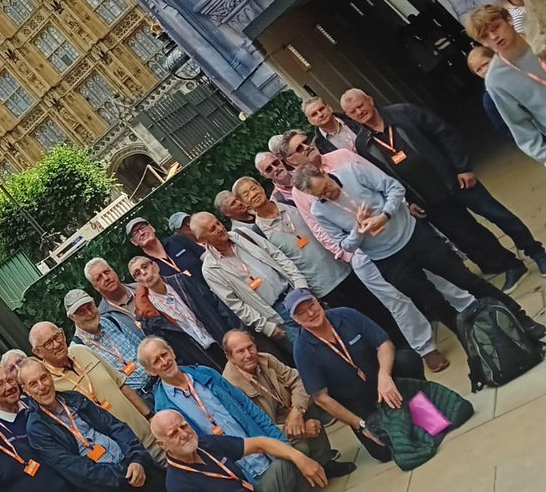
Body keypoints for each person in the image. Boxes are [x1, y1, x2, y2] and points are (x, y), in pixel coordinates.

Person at [292, 163, 545, 340]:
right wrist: (358, 230)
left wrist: (384, 215)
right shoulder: (320, 211)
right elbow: (343, 245)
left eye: (326, 187)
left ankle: (522, 320)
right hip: (387, 260)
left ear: (324, 173)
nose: (328, 194)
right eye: (321, 195)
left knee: (466, 280)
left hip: (413, 236)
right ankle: (474, 343)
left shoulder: (352, 172)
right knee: (434, 303)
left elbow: (395, 188)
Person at [277, 129, 458, 371]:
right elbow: (318, 229)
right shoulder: (301, 192)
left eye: (306, 142)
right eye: (297, 149)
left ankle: (467, 309)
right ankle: (426, 348)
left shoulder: (342, 157)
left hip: (393, 227)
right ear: (291, 161)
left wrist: (398, 210)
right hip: (361, 251)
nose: (306, 148)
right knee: (396, 301)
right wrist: (350, 253)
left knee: (435, 274)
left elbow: (381, 180)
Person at [342, 87, 546, 290]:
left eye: (360, 105)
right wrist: (410, 201)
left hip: (457, 181)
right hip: (430, 200)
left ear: (370, 100)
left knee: (499, 215)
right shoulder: (363, 144)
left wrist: (463, 167)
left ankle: (536, 253)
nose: (359, 112)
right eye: (352, 112)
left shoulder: (403, 113)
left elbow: (444, 134)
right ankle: (511, 265)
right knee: (471, 235)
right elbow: (383, 178)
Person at [233, 176, 401, 339]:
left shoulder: (290, 203)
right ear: (244, 203)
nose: (253, 194)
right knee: (356, 322)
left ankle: (402, 343)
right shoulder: (259, 234)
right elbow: (281, 265)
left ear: (261, 187)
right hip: (321, 286)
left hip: (344, 265)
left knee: (379, 307)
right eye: (246, 194)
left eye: (254, 188)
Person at [285, 290, 426, 463]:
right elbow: (321, 398)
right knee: (385, 453)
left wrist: (384, 375)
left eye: (311, 305)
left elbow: (384, 344)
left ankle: (423, 408)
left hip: (383, 380)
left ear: (318, 301)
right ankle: (396, 422)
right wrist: (359, 424)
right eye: (301, 313)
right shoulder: (302, 350)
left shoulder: (346, 314)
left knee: (407, 359)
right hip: (356, 402)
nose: (311, 313)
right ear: (295, 320)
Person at [139, 337, 289, 487]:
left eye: (164, 354)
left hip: (267, 452)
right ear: (151, 371)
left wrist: (282, 443)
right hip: (240, 476)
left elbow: (250, 409)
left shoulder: (206, 374)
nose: (164, 362)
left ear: (172, 352)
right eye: (156, 361)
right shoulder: (164, 410)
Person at [219, 330, 355, 479]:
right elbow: (254, 430)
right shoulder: (229, 386)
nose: (248, 354)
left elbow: (299, 380)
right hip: (271, 433)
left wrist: (297, 410)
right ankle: (305, 472)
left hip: (287, 413)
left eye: (250, 347)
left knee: (308, 402)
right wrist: (298, 429)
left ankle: (324, 462)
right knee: (302, 446)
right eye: (240, 351)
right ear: (229, 357)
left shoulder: (266, 359)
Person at [20, 359, 166, 491]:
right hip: (114, 486)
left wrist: (136, 460)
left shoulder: (74, 398)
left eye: (43, 378)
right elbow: (75, 470)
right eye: (33, 384)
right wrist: (124, 476)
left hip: (137, 467)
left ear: (50, 376)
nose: (42, 386)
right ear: (26, 391)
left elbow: (115, 426)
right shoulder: (37, 429)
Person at [28, 321, 161, 457]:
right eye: (48, 344)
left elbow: (121, 384)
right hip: (123, 452)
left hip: (147, 435)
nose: (57, 344)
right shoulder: (49, 384)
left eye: (57, 337)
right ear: (38, 352)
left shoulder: (82, 350)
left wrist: (149, 416)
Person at [190, 212, 308, 347]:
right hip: (277, 316)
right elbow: (236, 305)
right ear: (202, 240)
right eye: (212, 229)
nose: (220, 228)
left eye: (218, 223)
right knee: (307, 352)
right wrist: (265, 326)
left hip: (295, 293)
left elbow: (277, 256)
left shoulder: (242, 234)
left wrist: (300, 284)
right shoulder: (210, 269)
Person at [150, 410, 326, 492]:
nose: (184, 434)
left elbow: (260, 443)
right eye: (173, 433)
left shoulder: (203, 444)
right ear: (162, 445)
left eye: (183, 426)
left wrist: (300, 458)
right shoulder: (179, 485)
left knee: (290, 455)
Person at [465, 3, 546, 166]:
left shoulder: (540, 39)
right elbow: (521, 128)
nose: (493, 37)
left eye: (495, 27)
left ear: (508, 19)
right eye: (485, 36)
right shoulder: (496, 80)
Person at [128, 256, 229, 369]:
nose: (144, 273)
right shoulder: (148, 315)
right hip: (200, 362)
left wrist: (234, 331)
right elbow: (166, 349)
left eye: (145, 267)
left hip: (223, 341)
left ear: (155, 266)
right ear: (137, 281)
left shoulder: (182, 281)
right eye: (137, 273)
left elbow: (217, 305)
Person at [65, 289, 154, 396]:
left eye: (90, 307)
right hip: (137, 398)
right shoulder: (78, 350)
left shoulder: (110, 321)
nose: (89, 314)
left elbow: (141, 348)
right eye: (81, 312)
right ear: (72, 318)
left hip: (156, 380)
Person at [86, 258, 144, 333]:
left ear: (114, 271)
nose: (106, 278)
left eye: (107, 272)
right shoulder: (104, 317)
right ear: (95, 287)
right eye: (99, 278)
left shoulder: (141, 288)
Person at [467, 46, 514, 138]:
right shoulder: (489, 100)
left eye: (485, 64)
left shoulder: (519, 72)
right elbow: (504, 128)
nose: (484, 70)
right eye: (478, 70)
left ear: (496, 58)